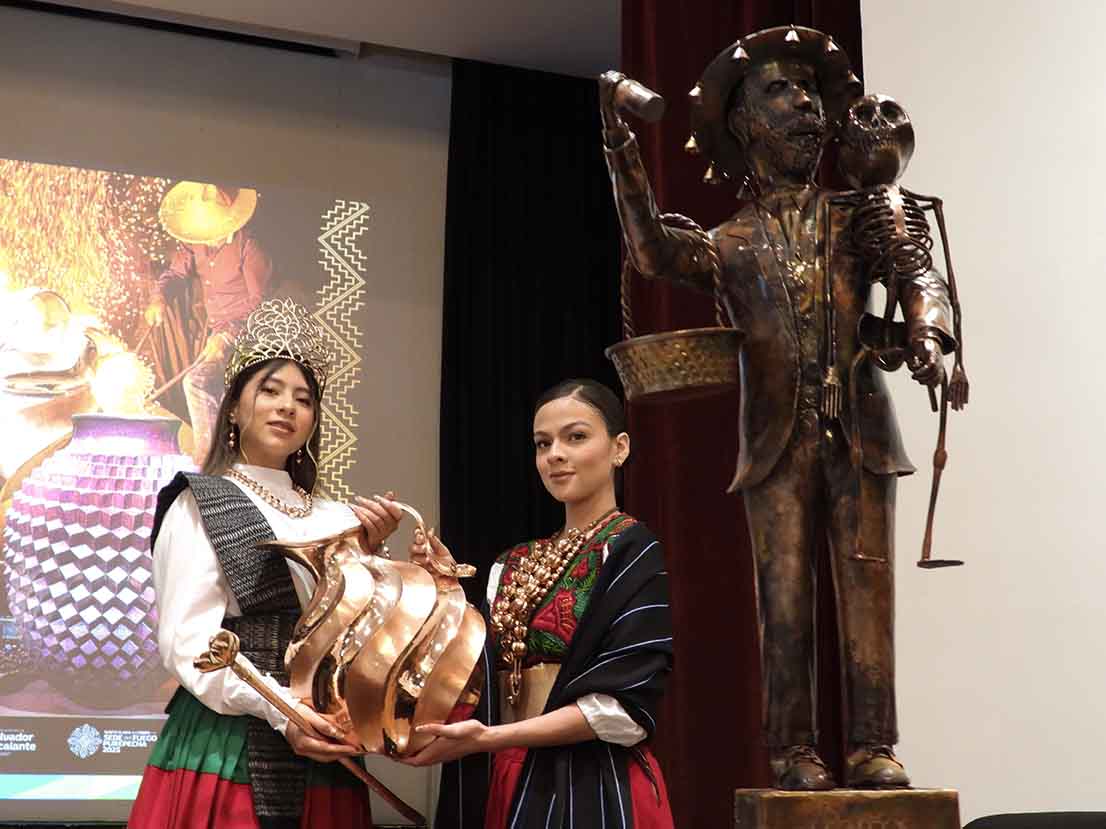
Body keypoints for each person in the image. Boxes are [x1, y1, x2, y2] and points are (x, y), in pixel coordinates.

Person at [598, 26, 957, 790]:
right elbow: (653, 252)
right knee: (784, 602)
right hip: (774, 443)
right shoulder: (727, 241)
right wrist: (622, 150)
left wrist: (927, 331)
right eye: (781, 91)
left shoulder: (859, 214)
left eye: (809, 91)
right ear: (743, 123)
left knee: (869, 593)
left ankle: (874, 744)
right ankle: (793, 750)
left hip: (861, 433)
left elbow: (918, 276)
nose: (804, 105)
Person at [128, 298, 403, 829]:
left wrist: (375, 556)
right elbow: (189, 642)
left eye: (304, 399)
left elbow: (358, 636)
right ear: (233, 407)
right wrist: (283, 711)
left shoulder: (336, 515)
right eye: (270, 390)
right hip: (231, 736)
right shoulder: (200, 501)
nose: (287, 407)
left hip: (323, 735)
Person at [410, 379, 675, 829]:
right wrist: (442, 589)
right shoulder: (513, 562)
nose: (555, 454)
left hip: (590, 783)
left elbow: (625, 707)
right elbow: (473, 675)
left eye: (576, 437)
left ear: (620, 448)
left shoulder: (630, 550)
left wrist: (493, 737)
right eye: (542, 443)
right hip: (504, 773)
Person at [144, 182, 274, 464]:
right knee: (217, 391)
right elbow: (173, 274)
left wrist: (227, 336)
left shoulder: (249, 248)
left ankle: (207, 458)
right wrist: (158, 298)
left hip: (248, 335)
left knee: (197, 381)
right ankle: (225, 455)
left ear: (229, 222)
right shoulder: (197, 243)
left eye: (214, 232)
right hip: (219, 332)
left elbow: (261, 305)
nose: (209, 239)